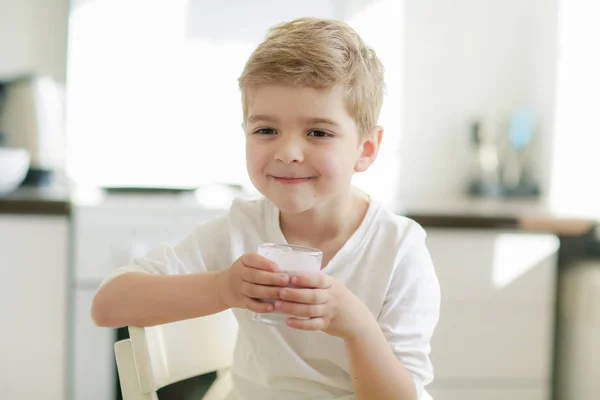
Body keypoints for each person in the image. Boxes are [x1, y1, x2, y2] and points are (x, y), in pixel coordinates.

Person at [92, 17, 440, 400]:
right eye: (266, 130)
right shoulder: (241, 228)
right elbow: (108, 305)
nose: (288, 153)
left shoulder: (398, 249)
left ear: (366, 149)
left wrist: (356, 327)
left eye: (318, 132)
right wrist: (223, 287)